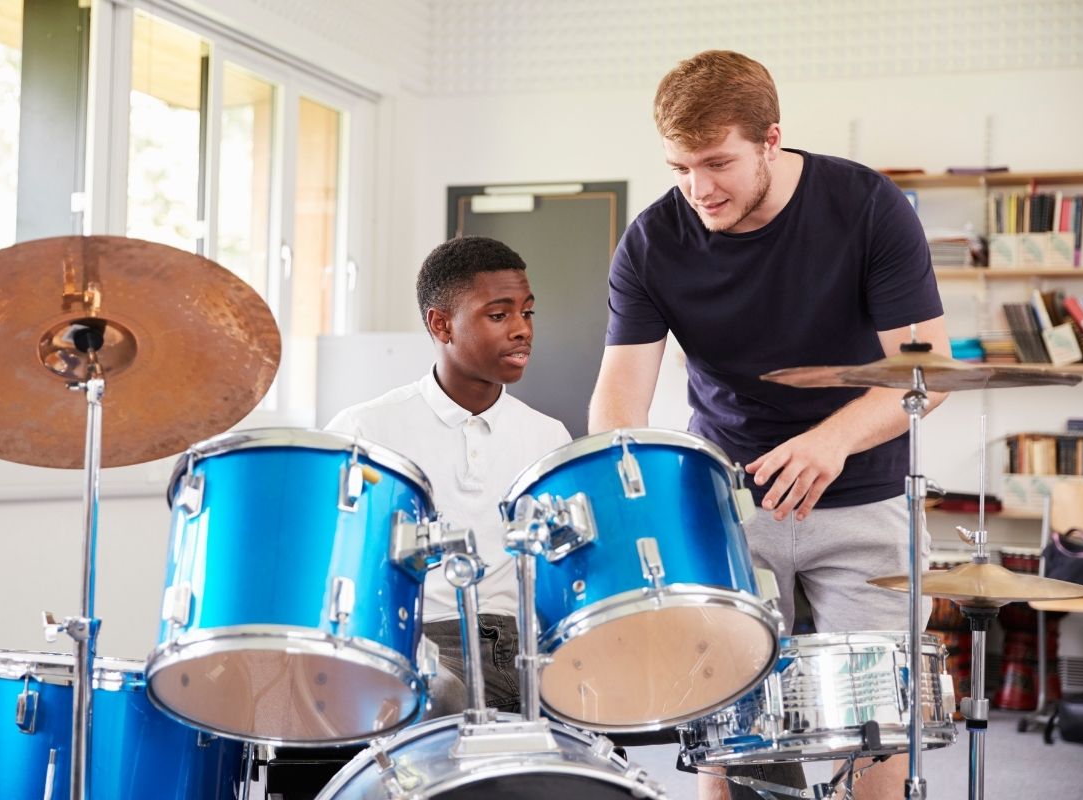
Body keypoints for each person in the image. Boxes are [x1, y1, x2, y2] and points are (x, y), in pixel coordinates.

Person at [587, 50, 949, 800]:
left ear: (772, 139)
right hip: (729, 505)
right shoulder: (653, 242)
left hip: (864, 493)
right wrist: (641, 502)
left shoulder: (869, 206)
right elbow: (618, 403)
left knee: (875, 734)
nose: (698, 188)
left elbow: (930, 370)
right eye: (680, 166)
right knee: (731, 738)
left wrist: (832, 440)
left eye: (717, 162)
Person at [327, 234, 571, 717]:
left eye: (528, 312)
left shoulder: (548, 436)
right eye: (499, 315)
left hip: (524, 645)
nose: (522, 329)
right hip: (420, 642)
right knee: (444, 698)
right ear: (441, 325)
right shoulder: (365, 429)